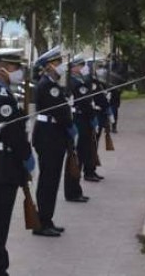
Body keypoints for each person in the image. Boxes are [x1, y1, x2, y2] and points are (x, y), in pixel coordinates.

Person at [0, 49, 36, 276]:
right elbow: (14, 133)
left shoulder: (3, 93)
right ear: (2, 69)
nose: (19, 72)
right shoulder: (0, 97)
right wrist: (26, 156)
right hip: (2, 165)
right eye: (15, 68)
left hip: (4, 161)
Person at [32, 46, 73, 237]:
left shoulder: (52, 84)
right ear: (48, 67)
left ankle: (47, 218)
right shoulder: (47, 85)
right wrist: (69, 118)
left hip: (53, 134)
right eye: (57, 64)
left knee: (52, 180)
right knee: (48, 180)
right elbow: (61, 113)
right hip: (49, 136)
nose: (61, 67)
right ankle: (41, 222)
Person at [66, 55, 94, 196]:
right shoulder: (74, 82)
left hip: (82, 117)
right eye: (81, 65)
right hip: (78, 118)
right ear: (75, 67)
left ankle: (75, 189)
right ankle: (73, 190)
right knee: (77, 156)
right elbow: (84, 99)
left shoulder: (78, 80)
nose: (84, 68)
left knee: (82, 154)